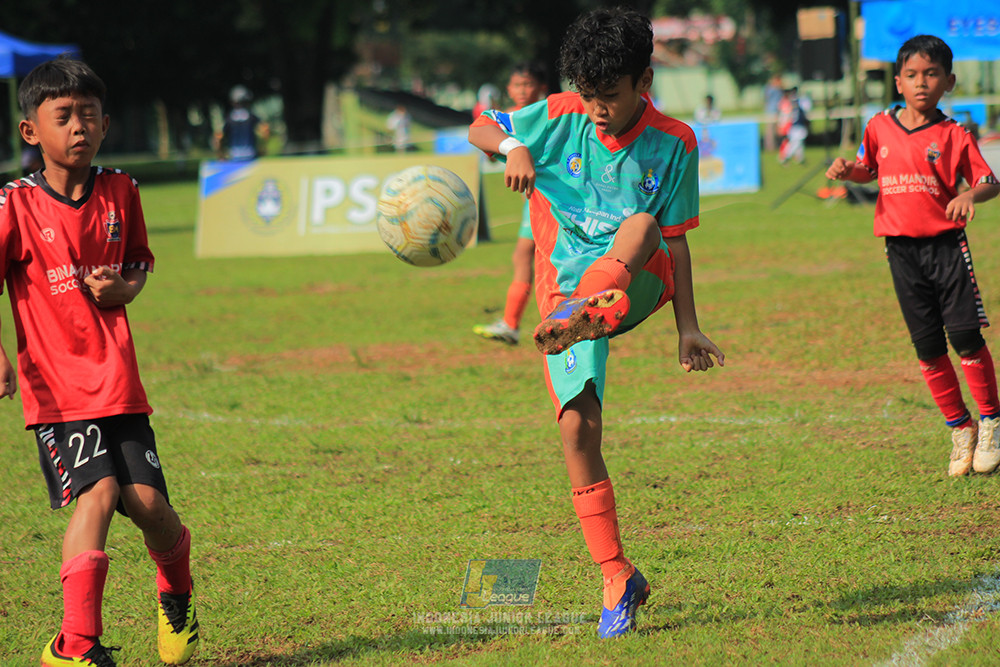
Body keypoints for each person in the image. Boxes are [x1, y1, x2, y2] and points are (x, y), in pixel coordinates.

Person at [468, 8, 724, 637]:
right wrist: (515, 144)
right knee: (577, 429)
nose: (598, 110)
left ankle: (595, 300)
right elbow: (481, 125)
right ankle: (616, 574)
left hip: (639, 280)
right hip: (563, 301)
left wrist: (688, 327)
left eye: (610, 96)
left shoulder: (677, 141)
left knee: (638, 224)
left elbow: (677, 241)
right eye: (589, 97)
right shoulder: (561, 113)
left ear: (645, 80)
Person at [0, 56, 199, 666]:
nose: (78, 127)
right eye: (63, 117)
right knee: (101, 493)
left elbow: (139, 259)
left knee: (149, 506)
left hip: (120, 381)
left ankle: (178, 593)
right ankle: (74, 647)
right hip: (56, 389)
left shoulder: (121, 190)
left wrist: (126, 290)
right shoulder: (13, 204)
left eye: (89, 115)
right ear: (31, 131)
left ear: (106, 124)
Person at [825, 34, 1000, 477]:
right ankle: (960, 429)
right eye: (911, 75)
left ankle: (991, 420)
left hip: (945, 247)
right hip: (900, 251)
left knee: (964, 337)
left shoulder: (954, 135)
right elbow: (869, 168)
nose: (921, 82)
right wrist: (850, 171)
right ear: (898, 82)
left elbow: (990, 180)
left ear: (949, 81)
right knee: (926, 346)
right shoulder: (879, 126)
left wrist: (969, 196)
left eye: (931, 74)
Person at [473, 61, 549, 345]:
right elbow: (485, 139)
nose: (522, 90)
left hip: (548, 202)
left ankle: (515, 323)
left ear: (541, 88)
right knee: (524, 257)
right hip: (531, 203)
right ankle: (512, 323)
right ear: (508, 88)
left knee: (532, 258)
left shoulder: (542, 116)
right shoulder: (510, 119)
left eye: (527, 84)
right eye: (517, 85)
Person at [217, 84, 267, 161]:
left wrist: (221, 154)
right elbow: (265, 132)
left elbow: (219, 137)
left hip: (234, 155)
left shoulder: (228, 118)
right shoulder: (252, 117)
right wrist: (262, 149)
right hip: (251, 154)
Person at [779, 87, 809, 164]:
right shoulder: (797, 102)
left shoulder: (793, 102)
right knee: (796, 142)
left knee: (798, 142)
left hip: (795, 125)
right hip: (796, 125)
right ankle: (786, 156)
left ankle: (800, 158)